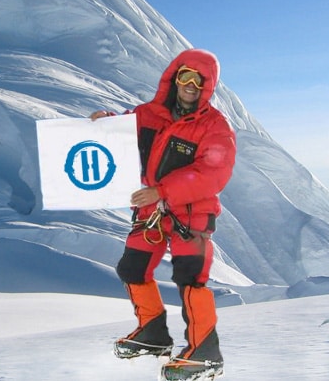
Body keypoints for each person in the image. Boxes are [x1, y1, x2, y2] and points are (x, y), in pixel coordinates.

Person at [90, 48, 236, 381]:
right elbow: (124, 132)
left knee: (190, 279)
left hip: (191, 216)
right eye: (185, 75)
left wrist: (164, 191)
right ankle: (152, 333)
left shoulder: (215, 127)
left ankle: (205, 353)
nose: (190, 84)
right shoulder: (147, 114)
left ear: (208, 86)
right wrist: (105, 122)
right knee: (132, 267)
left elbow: (214, 173)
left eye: (199, 80)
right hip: (150, 211)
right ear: (174, 77)